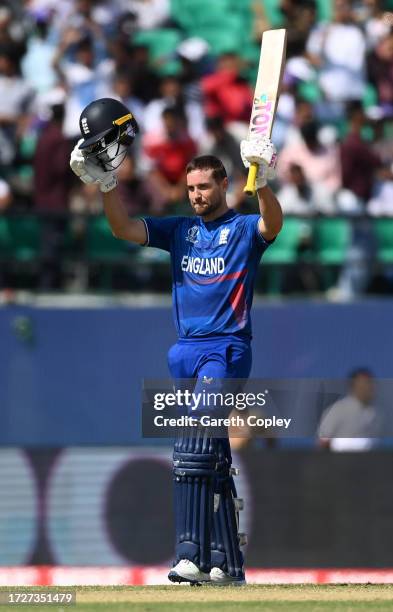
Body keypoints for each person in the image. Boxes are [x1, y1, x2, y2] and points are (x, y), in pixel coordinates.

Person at [69, 97, 282, 586]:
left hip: (226, 347)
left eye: (205, 187)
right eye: (190, 189)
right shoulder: (180, 231)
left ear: (225, 185)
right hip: (184, 350)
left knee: (190, 443)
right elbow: (122, 227)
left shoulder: (243, 228)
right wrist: (105, 185)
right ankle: (227, 564)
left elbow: (273, 224)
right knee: (213, 455)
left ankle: (188, 553)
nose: (196, 196)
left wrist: (264, 180)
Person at [318, 368, 382, 451]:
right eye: (364, 384)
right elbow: (323, 441)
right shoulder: (338, 409)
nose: (368, 387)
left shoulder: (376, 414)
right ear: (353, 386)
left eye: (370, 383)